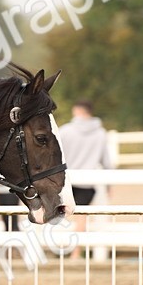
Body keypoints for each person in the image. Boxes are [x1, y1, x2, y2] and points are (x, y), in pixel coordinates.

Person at [59, 100, 113, 257]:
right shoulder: (101, 133)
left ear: (77, 111)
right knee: (81, 218)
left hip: (65, 181)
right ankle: (76, 252)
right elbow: (106, 162)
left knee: (61, 216)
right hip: (87, 183)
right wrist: (110, 185)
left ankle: (63, 248)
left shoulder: (65, 131)